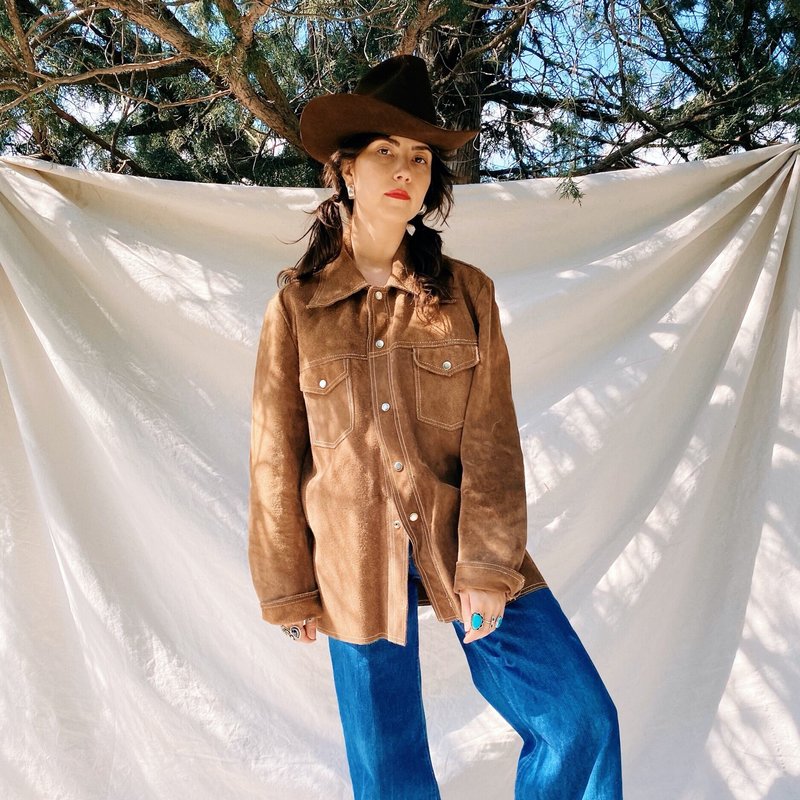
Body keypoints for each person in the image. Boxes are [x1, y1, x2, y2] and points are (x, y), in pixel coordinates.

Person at [248, 54, 623, 799]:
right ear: (345, 170)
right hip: (352, 554)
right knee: (391, 777)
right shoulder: (296, 307)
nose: (406, 170)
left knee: (578, 719)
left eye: (420, 157)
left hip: (459, 537)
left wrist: (487, 567)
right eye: (385, 151)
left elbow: (492, 439)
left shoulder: (466, 294)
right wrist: (287, 585)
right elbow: (274, 453)